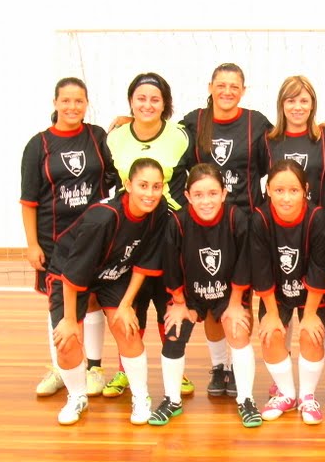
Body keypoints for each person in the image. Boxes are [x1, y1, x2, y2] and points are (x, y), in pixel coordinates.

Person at [48, 158, 167, 426]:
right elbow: (74, 272)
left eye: (156, 186)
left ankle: (141, 396)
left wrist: (125, 305)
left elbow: (144, 262)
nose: (150, 193)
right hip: (69, 275)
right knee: (67, 341)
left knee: (127, 327)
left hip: (114, 272)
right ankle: (77, 397)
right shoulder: (103, 218)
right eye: (143, 185)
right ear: (128, 185)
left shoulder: (159, 211)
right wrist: (70, 320)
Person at [180, 63, 273, 397]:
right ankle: (220, 367)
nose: (227, 91)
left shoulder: (256, 122)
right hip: (206, 225)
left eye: (234, 86)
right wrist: (127, 121)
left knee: (240, 298)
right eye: (221, 84)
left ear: (243, 90)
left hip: (244, 223)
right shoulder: (194, 122)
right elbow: (161, 136)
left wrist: (320, 128)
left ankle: (236, 364)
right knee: (212, 296)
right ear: (210, 86)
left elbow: (281, 147)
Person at [21, 77, 117, 398]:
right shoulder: (39, 145)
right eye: (66, 100)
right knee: (58, 303)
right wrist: (32, 244)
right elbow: (29, 200)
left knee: (92, 300)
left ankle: (94, 368)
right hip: (54, 240)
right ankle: (61, 368)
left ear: (86, 103)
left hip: (94, 238)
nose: (72, 106)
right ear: (55, 103)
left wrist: (126, 122)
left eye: (79, 101)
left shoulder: (97, 137)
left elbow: (116, 173)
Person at [105, 72, 193, 398]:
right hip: (131, 233)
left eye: (155, 99)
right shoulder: (114, 137)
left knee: (168, 301)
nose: (147, 104)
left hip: (169, 232)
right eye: (140, 98)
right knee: (132, 303)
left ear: (165, 103)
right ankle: (125, 370)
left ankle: (176, 369)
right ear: (130, 101)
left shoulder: (181, 136)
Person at [262, 75, 325, 401]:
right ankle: (282, 375)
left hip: (318, 231)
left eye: (304, 100)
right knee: (284, 300)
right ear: (281, 105)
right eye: (291, 100)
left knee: (324, 306)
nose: (297, 107)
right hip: (281, 231)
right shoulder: (268, 139)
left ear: (313, 105)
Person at [153, 164, 252, 425]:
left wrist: (235, 303)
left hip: (228, 293)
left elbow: (245, 262)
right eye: (198, 195)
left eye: (212, 193)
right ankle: (172, 399)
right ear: (187, 196)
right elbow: (171, 266)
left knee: (238, 329)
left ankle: (246, 399)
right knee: (173, 332)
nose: (206, 201)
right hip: (190, 295)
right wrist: (178, 302)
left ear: (224, 193)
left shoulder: (237, 218)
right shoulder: (177, 222)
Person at [251, 160, 325, 425]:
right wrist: (272, 315)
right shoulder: (260, 218)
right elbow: (261, 269)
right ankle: (286, 394)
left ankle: (308, 396)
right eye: (279, 190)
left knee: (311, 334)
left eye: (294, 190)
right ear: (268, 190)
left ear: (305, 190)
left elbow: (319, 268)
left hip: (312, 292)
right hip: (277, 291)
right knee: (271, 334)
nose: (286, 198)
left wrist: (310, 315)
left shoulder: (317, 217)